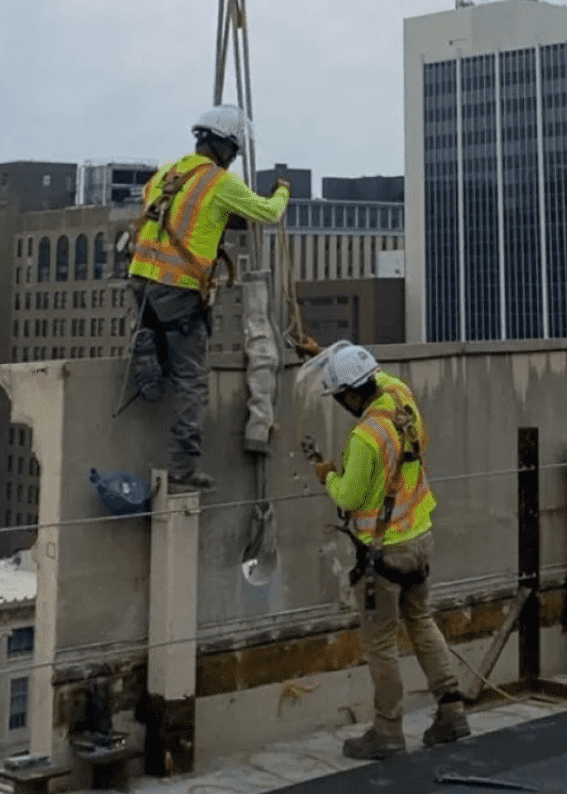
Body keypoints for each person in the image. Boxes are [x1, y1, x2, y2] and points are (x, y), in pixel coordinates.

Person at [307, 341, 470, 760]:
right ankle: (452, 713)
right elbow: (368, 373)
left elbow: (348, 496)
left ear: (349, 394)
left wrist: (326, 476)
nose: (340, 403)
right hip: (419, 537)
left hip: (384, 554)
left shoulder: (366, 437)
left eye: (339, 395)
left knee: (380, 643)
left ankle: (387, 731)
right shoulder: (399, 394)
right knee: (421, 620)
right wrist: (327, 356)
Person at [128, 105, 289, 492]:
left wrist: (219, 220)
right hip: (179, 289)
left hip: (142, 280)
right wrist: (282, 190)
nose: (233, 160)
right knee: (191, 378)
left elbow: (165, 211)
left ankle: (149, 346)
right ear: (224, 147)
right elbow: (268, 214)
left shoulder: (168, 172)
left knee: (165, 342)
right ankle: (183, 467)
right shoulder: (219, 182)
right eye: (233, 152)